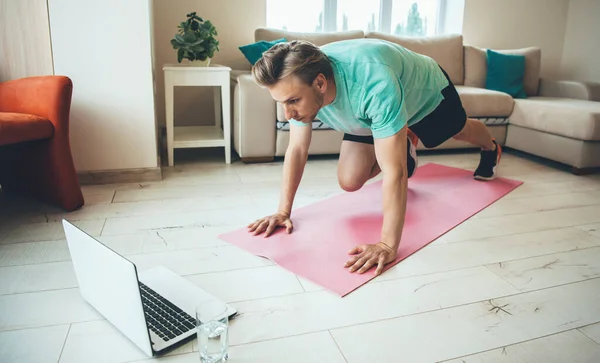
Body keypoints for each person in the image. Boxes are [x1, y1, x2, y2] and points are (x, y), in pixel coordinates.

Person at [246, 38, 502, 276]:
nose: (288, 113)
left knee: (461, 131)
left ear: (320, 83)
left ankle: (491, 148)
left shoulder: (373, 84)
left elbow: (395, 172)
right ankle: (400, 139)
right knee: (349, 180)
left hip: (425, 95)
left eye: (292, 101)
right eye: (281, 103)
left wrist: (387, 245)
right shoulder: (301, 87)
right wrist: (282, 211)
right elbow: (297, 149)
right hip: (370, 113)